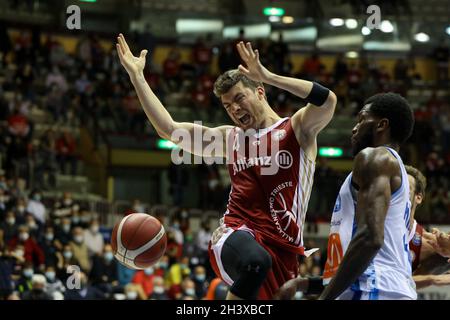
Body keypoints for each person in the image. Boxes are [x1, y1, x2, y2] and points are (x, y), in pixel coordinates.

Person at [116, 34, 337, 299]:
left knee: (263, 271)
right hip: (236, 234)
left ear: (259, 92)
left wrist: (268, 75)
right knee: (256, 263)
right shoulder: (230, 137)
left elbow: (327, 100)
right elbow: (170, 130)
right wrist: (137, 78)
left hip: (283, 252)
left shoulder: (297, 129)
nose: (233, 109)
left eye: (238, 99)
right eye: (227, 105)